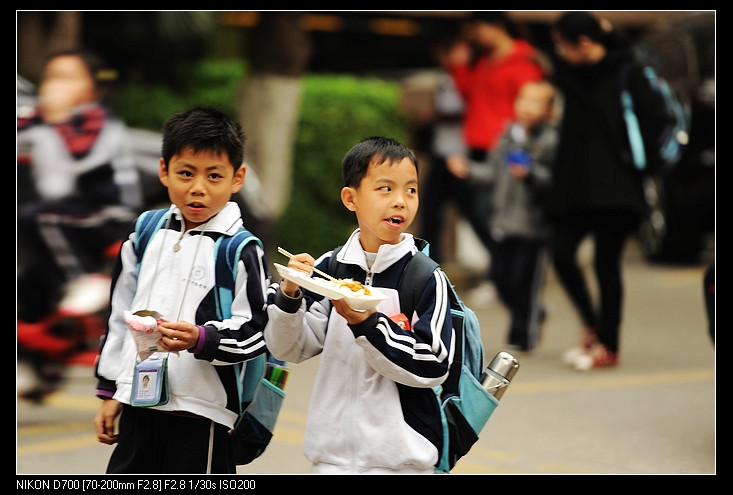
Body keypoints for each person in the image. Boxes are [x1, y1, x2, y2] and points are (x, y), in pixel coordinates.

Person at [93, 106, 272, 474]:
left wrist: (201, 339)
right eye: (186, 173)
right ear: (164, 171)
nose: (198, 188)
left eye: (214, 175)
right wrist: (112, 389)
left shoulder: (239, 248)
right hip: (139, 400)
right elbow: (119, 314)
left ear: (237, 178)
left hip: (202, 410)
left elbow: (256, 331)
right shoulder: (145, 232)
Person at [264, 136, 454, 474]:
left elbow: (435, 364)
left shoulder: (424, 276)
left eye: (411, 190)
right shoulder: (329, 268)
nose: (401, 201)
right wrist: (290, 295)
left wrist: (369, 325)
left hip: (400, 462)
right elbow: (289, 347)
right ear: (351, 198)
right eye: (385, 189)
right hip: (330, 460)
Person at [547, 12, 667, 370]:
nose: (559, 52)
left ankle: (609, 346)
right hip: (574, 185)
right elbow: (557, 66)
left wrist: (637, 166)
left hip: (616, 188)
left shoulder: (628, 71)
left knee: (606, 264)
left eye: (563, 45)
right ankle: (592, 325)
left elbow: (655, 119)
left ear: (584, 43)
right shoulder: (570, 72)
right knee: (563, 254)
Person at [17, 48, 143, 326]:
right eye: (51, 77)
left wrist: (54, 122)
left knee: (37, 217)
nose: (55, 85)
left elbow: (79, 159)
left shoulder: (95, 119)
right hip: (70, 212)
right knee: (32, 277)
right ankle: (42, 343)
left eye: (68, 78)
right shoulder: (46, 116)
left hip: (107, 214)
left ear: (94, 90)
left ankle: (85, 280)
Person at [448, 80, 559, 352]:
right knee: (500, 278)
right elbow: (491, 173)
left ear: (548, 111)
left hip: (532, 225)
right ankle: (535, 313)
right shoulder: (508, 135)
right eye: (524, 100)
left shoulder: (549, 140)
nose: (528, 108)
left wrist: (531, 174)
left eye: (537, 103)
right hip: (502, 220)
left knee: (525, 283)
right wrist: (468, 171)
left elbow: (554, 181)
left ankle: (523, 336)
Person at [446, 11, 546, 275]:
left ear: (497, 27)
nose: (477, 37)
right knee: (475, 211)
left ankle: (510, 271)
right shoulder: (484, 61)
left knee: (496, 213)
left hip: (505, 149)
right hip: (477, 146)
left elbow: (534, 104)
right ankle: (503, 269)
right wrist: (458, 66)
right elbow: (470, 94)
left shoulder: (524, 61)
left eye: (479, 30)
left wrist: (520, 144)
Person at [418, 35, 469, 265]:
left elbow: (467, 109)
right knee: (430, 210)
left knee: (474, 215)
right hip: (442, 153)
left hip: (464, 154)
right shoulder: (446, 76)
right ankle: (431, 261)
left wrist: (435, 115)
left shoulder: (469, 75)